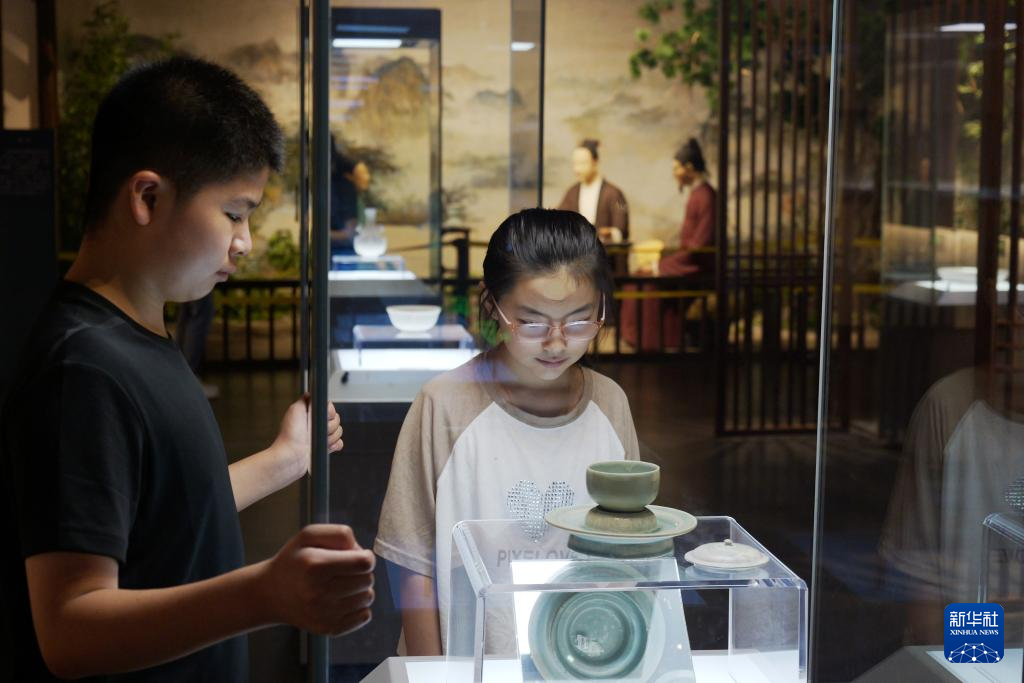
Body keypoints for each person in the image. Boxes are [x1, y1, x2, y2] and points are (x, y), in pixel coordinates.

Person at [0, 58, 375, 682]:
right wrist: (265, 594)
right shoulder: (82, 367)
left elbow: (166, 512)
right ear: (147, 198)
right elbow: (69, 628)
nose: (244, 241)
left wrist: (283, 460)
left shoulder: (137, 337)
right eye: (234, 212)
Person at [374, 208, 642, 656]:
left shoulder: (610, 404)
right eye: (532, 322)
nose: (556, 342)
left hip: (581, 660)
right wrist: (434, 673)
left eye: (579, 320)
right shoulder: (445, 404)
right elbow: (414, 565)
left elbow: (631, 554)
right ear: (492, 307)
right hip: (468, 663)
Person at [623, 138, 717, 351]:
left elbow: (700, 245)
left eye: (676, 168)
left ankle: (655, 342)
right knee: (639, 276)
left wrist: (659, 267)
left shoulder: (706, 196)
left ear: (689, 167)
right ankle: (641, 339)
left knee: (645, 282)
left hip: (698, 265)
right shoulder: (699, 194)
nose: (674, 173)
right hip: (690, 260)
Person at [557, 139, 630, 243]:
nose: (577, 169)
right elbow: (558, 221)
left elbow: (622, 231)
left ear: (595, 162)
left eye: (582, 163)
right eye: (575, 164)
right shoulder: (572, 193)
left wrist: (609, 233)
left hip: (604, 251)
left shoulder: (613, 193)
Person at [330, 139, 372, 255]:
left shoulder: (345, 188)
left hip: (346, 251)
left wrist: (319, 233)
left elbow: (349, 234)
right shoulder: (333, 186)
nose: (366, 180)